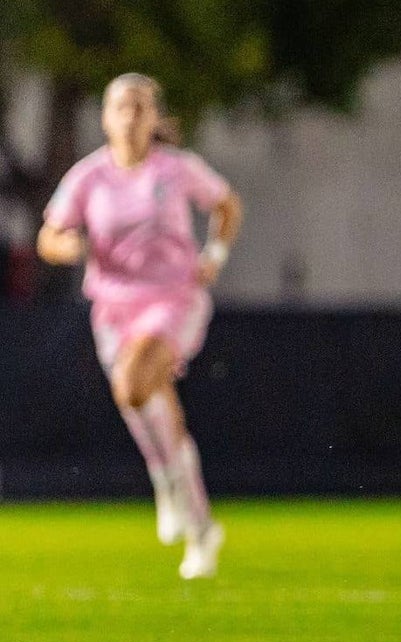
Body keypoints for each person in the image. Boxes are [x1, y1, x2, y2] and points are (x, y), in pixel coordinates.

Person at [37, 73, 242, 579]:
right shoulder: (88, 177)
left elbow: (227, 205)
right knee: (145, 405)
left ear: (154, 118)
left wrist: (214, 253)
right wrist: (67, 247)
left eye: (140, 108)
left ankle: (168, 482)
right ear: (105, 117)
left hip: (172, 300)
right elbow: (50, 234)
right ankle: (198, 526)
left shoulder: (175, 170)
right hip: (112, 308)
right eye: (121, 108)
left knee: (133, 384)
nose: (130, 117)